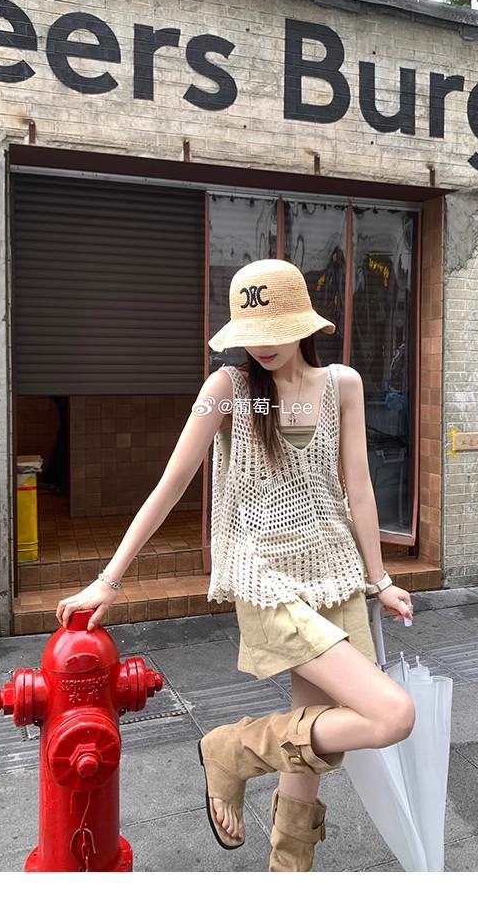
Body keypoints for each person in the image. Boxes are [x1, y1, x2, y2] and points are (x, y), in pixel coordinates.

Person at [56, 259, 415, 872]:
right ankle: (233, 750)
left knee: (312, 739)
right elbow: (171, 485)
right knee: (391, 715)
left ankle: (287, 879)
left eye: (274, 331)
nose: (262, 346)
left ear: (304, 324)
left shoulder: (343, 386)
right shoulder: (227, 389)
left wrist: (379, 579)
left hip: (334, 570)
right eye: (251, 332)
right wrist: (109, 580)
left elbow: (359, 484)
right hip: (264, 576)